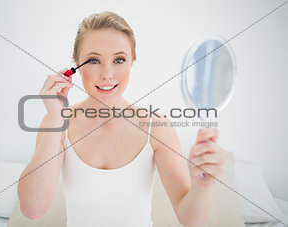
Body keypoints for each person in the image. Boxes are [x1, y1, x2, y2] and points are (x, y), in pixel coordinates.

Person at [17, 11, 226, 227]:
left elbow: (190, 219)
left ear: (132, 61)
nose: (107, 74)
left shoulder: (156, 127)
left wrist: (202, 188)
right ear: (75, 64)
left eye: (119, 59)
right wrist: (54, 119)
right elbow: (32, 209)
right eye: (93, 60)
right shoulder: (56, 123)